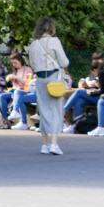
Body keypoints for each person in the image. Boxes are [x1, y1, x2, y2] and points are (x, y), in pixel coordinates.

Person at [28, 17, 69, 155]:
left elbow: (32, 64)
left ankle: (44, 145)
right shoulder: (54, 41)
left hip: (40, 79)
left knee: (44, 111)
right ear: (51, 28)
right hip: (54, 79)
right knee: (56, 110)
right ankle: (54, 144)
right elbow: (64, 62)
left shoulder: (33, 44)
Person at [0, 53, 36, 130]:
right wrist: (11, 79)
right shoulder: (15, 71)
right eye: (13, 63)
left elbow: (28, 84)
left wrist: (16, 77)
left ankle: (16, 114)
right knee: (1, 96)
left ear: (20, 61)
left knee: (16, 94)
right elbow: (13, 85)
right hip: (15, 91)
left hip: (24, 90)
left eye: (15, 63)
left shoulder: (28, 69)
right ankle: (4, 120)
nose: (14, 65)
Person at [63, 60, 104, 126]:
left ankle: (64, 110)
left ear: (96, 70)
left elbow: (103, 89)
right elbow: (87, 81)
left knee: (79, 91)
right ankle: (76, 125)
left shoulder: (103, 74)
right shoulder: (95, 75)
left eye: (93, 72)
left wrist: (94, 87)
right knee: (79, 101)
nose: (93, 73)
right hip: (94, 95)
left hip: (100, 97)